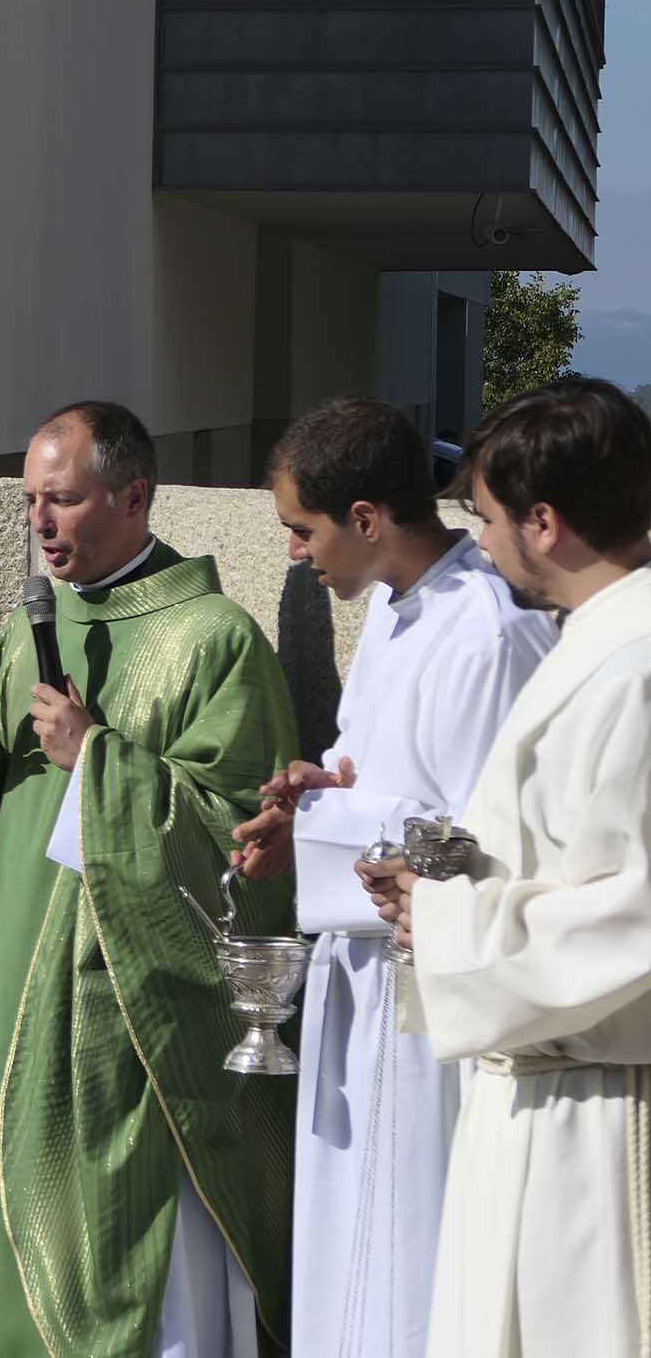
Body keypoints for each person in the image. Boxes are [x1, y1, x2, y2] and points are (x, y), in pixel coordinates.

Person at [0, 400, 300, 1356]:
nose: (40, 521)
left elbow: (246, 849)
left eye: (61, 499)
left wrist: (98, 757)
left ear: (134, 495)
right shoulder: (28, 627)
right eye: (31, 499)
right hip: (2, 986)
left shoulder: (214, 641)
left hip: (124, 1010)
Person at [228, 397, 552, 1357]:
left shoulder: (488, 630)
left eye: (303, 528)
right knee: (347, 1251)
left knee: (413, 1250)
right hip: (359, 976)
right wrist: (318, 795)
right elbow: (388, 780)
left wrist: (328, 823)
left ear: (365, 518)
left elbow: (489, 839)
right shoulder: (392, 606)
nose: (296, 553)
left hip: (427, 996)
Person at [364, 376, 651, 1354]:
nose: (478, 542)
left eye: (486, 518)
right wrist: (435, 879)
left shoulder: (636, 668)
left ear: (545, 522)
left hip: (599, 1119)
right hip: (532, 1089)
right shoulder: (592, 641)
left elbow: (637, 911)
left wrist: (448, 921)